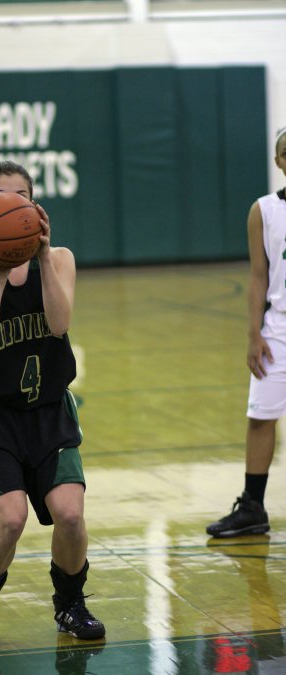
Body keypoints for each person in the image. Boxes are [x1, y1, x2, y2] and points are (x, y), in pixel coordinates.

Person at [0, 160, 105, 648]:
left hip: (47, 409)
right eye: (2, 198)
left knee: (71, 513)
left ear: (36, 208)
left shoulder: (59, 259)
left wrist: (37, 259)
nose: (14, 207)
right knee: (11, 518)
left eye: (23, 198)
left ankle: (70, 606)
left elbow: (59, 325)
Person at [206, 127, 286, 538]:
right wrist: (254, 335)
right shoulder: (264, 210)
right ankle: (253, 506)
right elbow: (258, 277)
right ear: (279, 161)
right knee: (260, 416)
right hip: (279, 329)